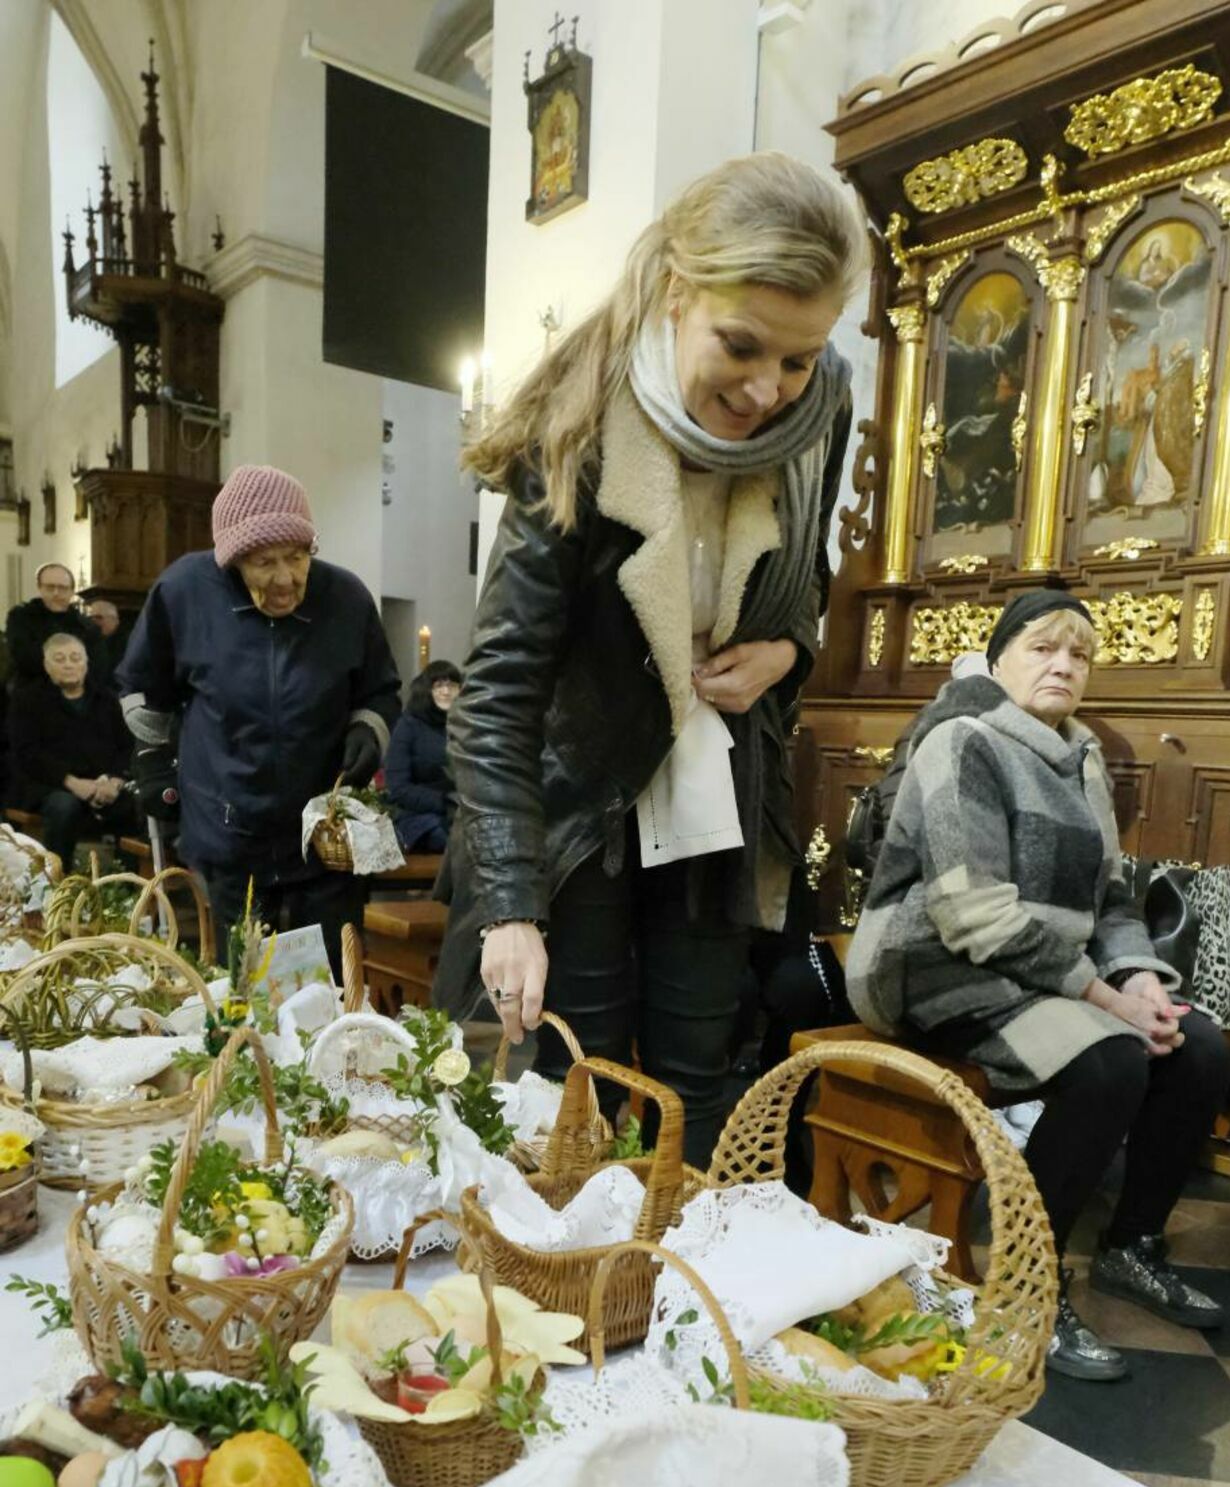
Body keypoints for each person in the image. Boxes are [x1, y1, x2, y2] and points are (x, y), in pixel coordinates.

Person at [433, 152, 864, 1166]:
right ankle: (564, 1313)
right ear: (679, 291)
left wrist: (785, 650)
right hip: (579, 803)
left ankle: (685, 1299)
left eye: (798, 359)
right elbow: (495, 694)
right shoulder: (577, 424)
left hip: (715, 795)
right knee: (570, 1089)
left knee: (701, 1082)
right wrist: (510, 904)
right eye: (743, 345)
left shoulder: (822, 404)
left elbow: (811, 575)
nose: (769, 390)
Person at [845, 588, 1229, 1380]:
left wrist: (1141, 977)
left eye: (1079, 653)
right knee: (1111, 1061)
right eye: (1041, 647)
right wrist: (1103, 997)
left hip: (1042, 975)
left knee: (1199, 1045)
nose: (1063, 664)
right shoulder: (963, 742)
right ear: (996, 661)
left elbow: (1112, 899)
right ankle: (1026, 1291)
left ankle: (1131, 1247)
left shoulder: (1082, 756)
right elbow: (970, 915)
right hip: (932, 968)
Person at [117, 464, 401, 973]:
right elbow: (142, 691)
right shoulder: (184, 593)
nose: (286, 578)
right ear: (231, 560)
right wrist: (153, 765)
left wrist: (367, 728)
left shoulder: (346, 598)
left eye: (296, 557)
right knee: (244, 986)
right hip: (230, 831)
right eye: (265, 562)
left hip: (323, 836)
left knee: (329, 983)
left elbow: (380, 691)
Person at [7, 632, 135, 873]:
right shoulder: (27, 700)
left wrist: (115, 781)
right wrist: (73, 783)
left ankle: (127, 885)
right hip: (48, 786)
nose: (69, 664)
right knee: (65, 807)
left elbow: (126, 746)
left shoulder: (106, 699)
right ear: (47, 665)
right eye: (60, 658)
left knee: (132, 806)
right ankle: (57, 884)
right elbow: (27, 753)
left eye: (75, 658)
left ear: (86, 663)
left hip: (101, 784)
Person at [385, 661, 463, 853]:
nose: (446, 691)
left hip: (463, 812)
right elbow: (398, 788)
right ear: (427, 690)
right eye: (439, 686)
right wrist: (445, 801)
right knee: (445, 837)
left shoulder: (466, 725)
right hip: (419, 815)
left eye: (452, 685)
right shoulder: (409, 725)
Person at [4, 563, 103, 681]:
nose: (56, 593)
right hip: (32, 687)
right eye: (50, 587)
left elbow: (97, 666)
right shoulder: (21, 617)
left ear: (71, 592)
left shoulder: (86, 626)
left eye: (62, 588)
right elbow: (24, 657)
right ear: (40, 588)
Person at [83, 597, 130, 679]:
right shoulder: (88, 640)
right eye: (91, 618)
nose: (93, 621)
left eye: (98, 617)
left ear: (115, 620)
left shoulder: (129, 643)